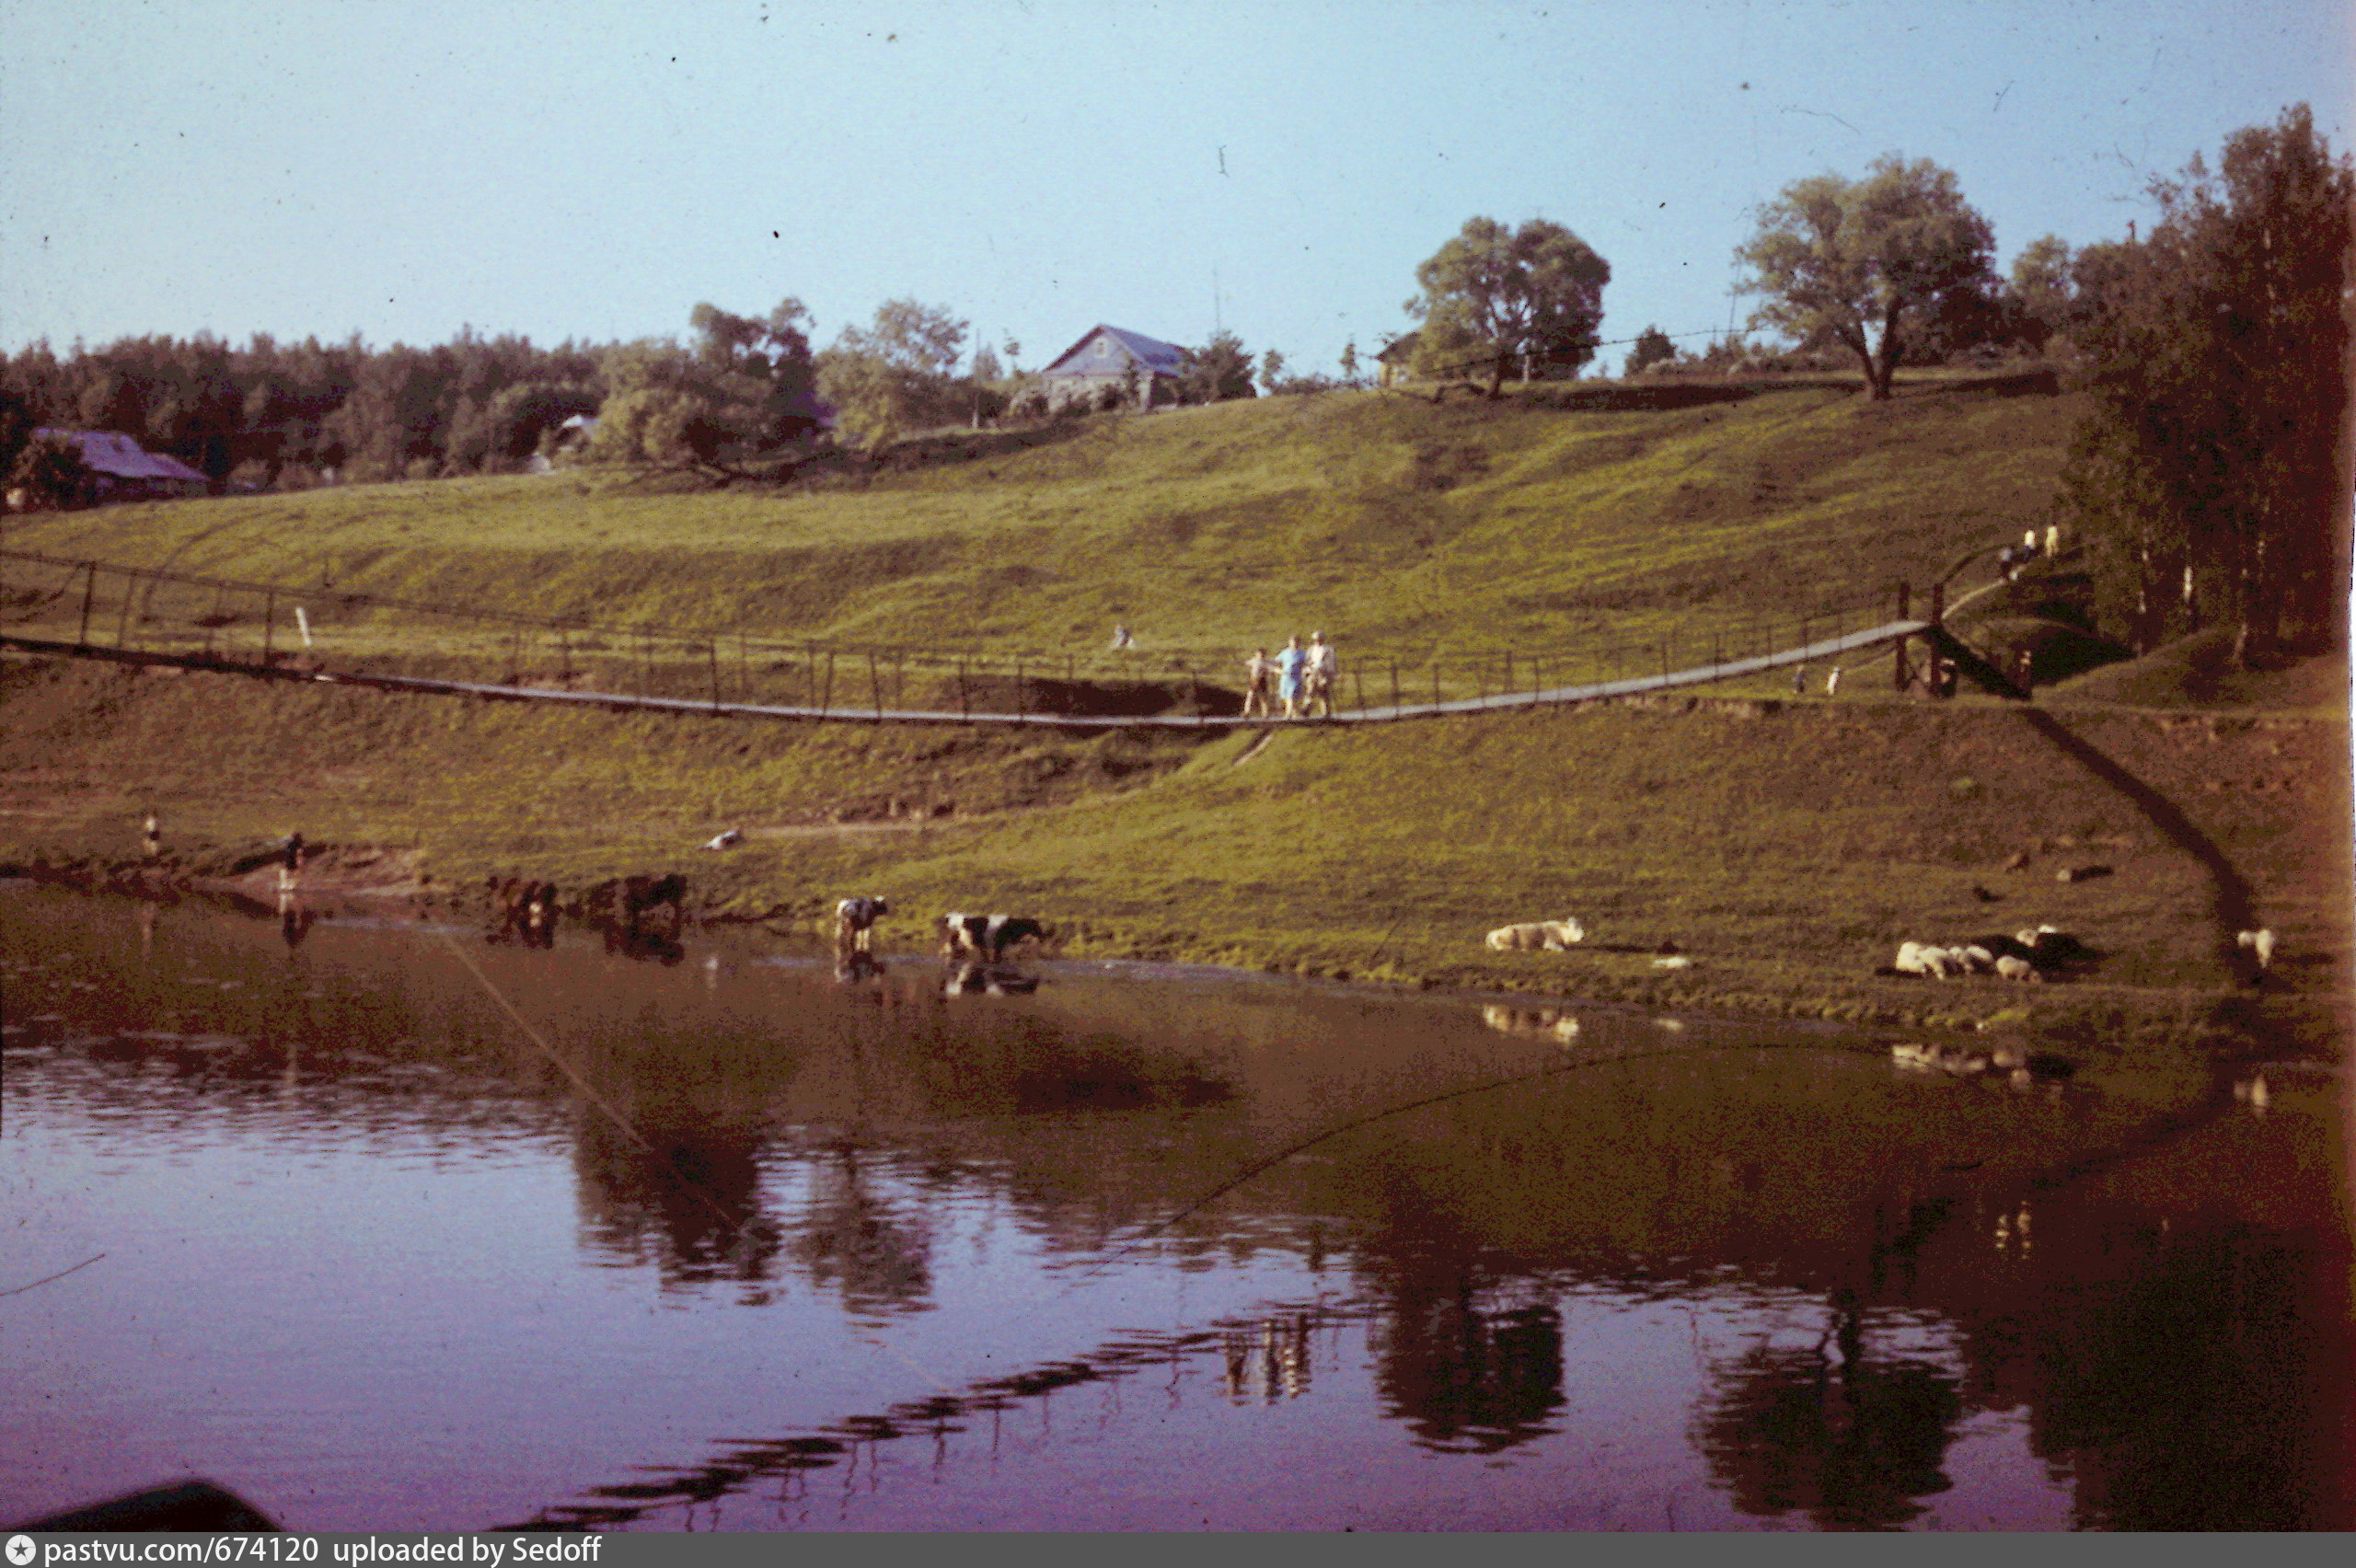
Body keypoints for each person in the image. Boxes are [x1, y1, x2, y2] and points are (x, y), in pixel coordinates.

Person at [1304, 631, 1338, 719]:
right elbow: (1307, 661)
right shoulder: (1311, 649)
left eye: (1319, 639)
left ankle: (1326, 714)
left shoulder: (1328, 649)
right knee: (1310, 690)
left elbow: (1331, 663)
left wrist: (1330, 674)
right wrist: (1307, 671)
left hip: (1324, 673)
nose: (1317, 641)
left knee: (1323, 692)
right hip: (1313, 672)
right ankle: (1307, 707)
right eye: (1315, 640)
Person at [1276, 635, 1308, 720]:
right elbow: (1277, 661)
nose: (1294, 644)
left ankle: (1288, 715)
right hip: (1285, 678)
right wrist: (1278, 670)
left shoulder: (1302, 653)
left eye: (1296, 642)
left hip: (1295, 677)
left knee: (1292, 696)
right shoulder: (1285, 652)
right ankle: (1296, 713)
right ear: (1289, 643)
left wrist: (1305, 672)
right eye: (1293, 642)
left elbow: (1305, 664)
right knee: (1286, 697)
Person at [1242, 648, 1274, 719]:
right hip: (1253, 680)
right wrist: (1240, 662)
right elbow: (1246, 663)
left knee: (1263, 698)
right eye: (1259, 654)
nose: (1260, 656)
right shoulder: (1254, 661)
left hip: (1262, 681)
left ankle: (1265, 713)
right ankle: (1247, 712)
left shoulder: (1265, 662)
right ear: (1256, 654)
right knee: (1250, 696)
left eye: (1262, 654)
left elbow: (1271, 668)